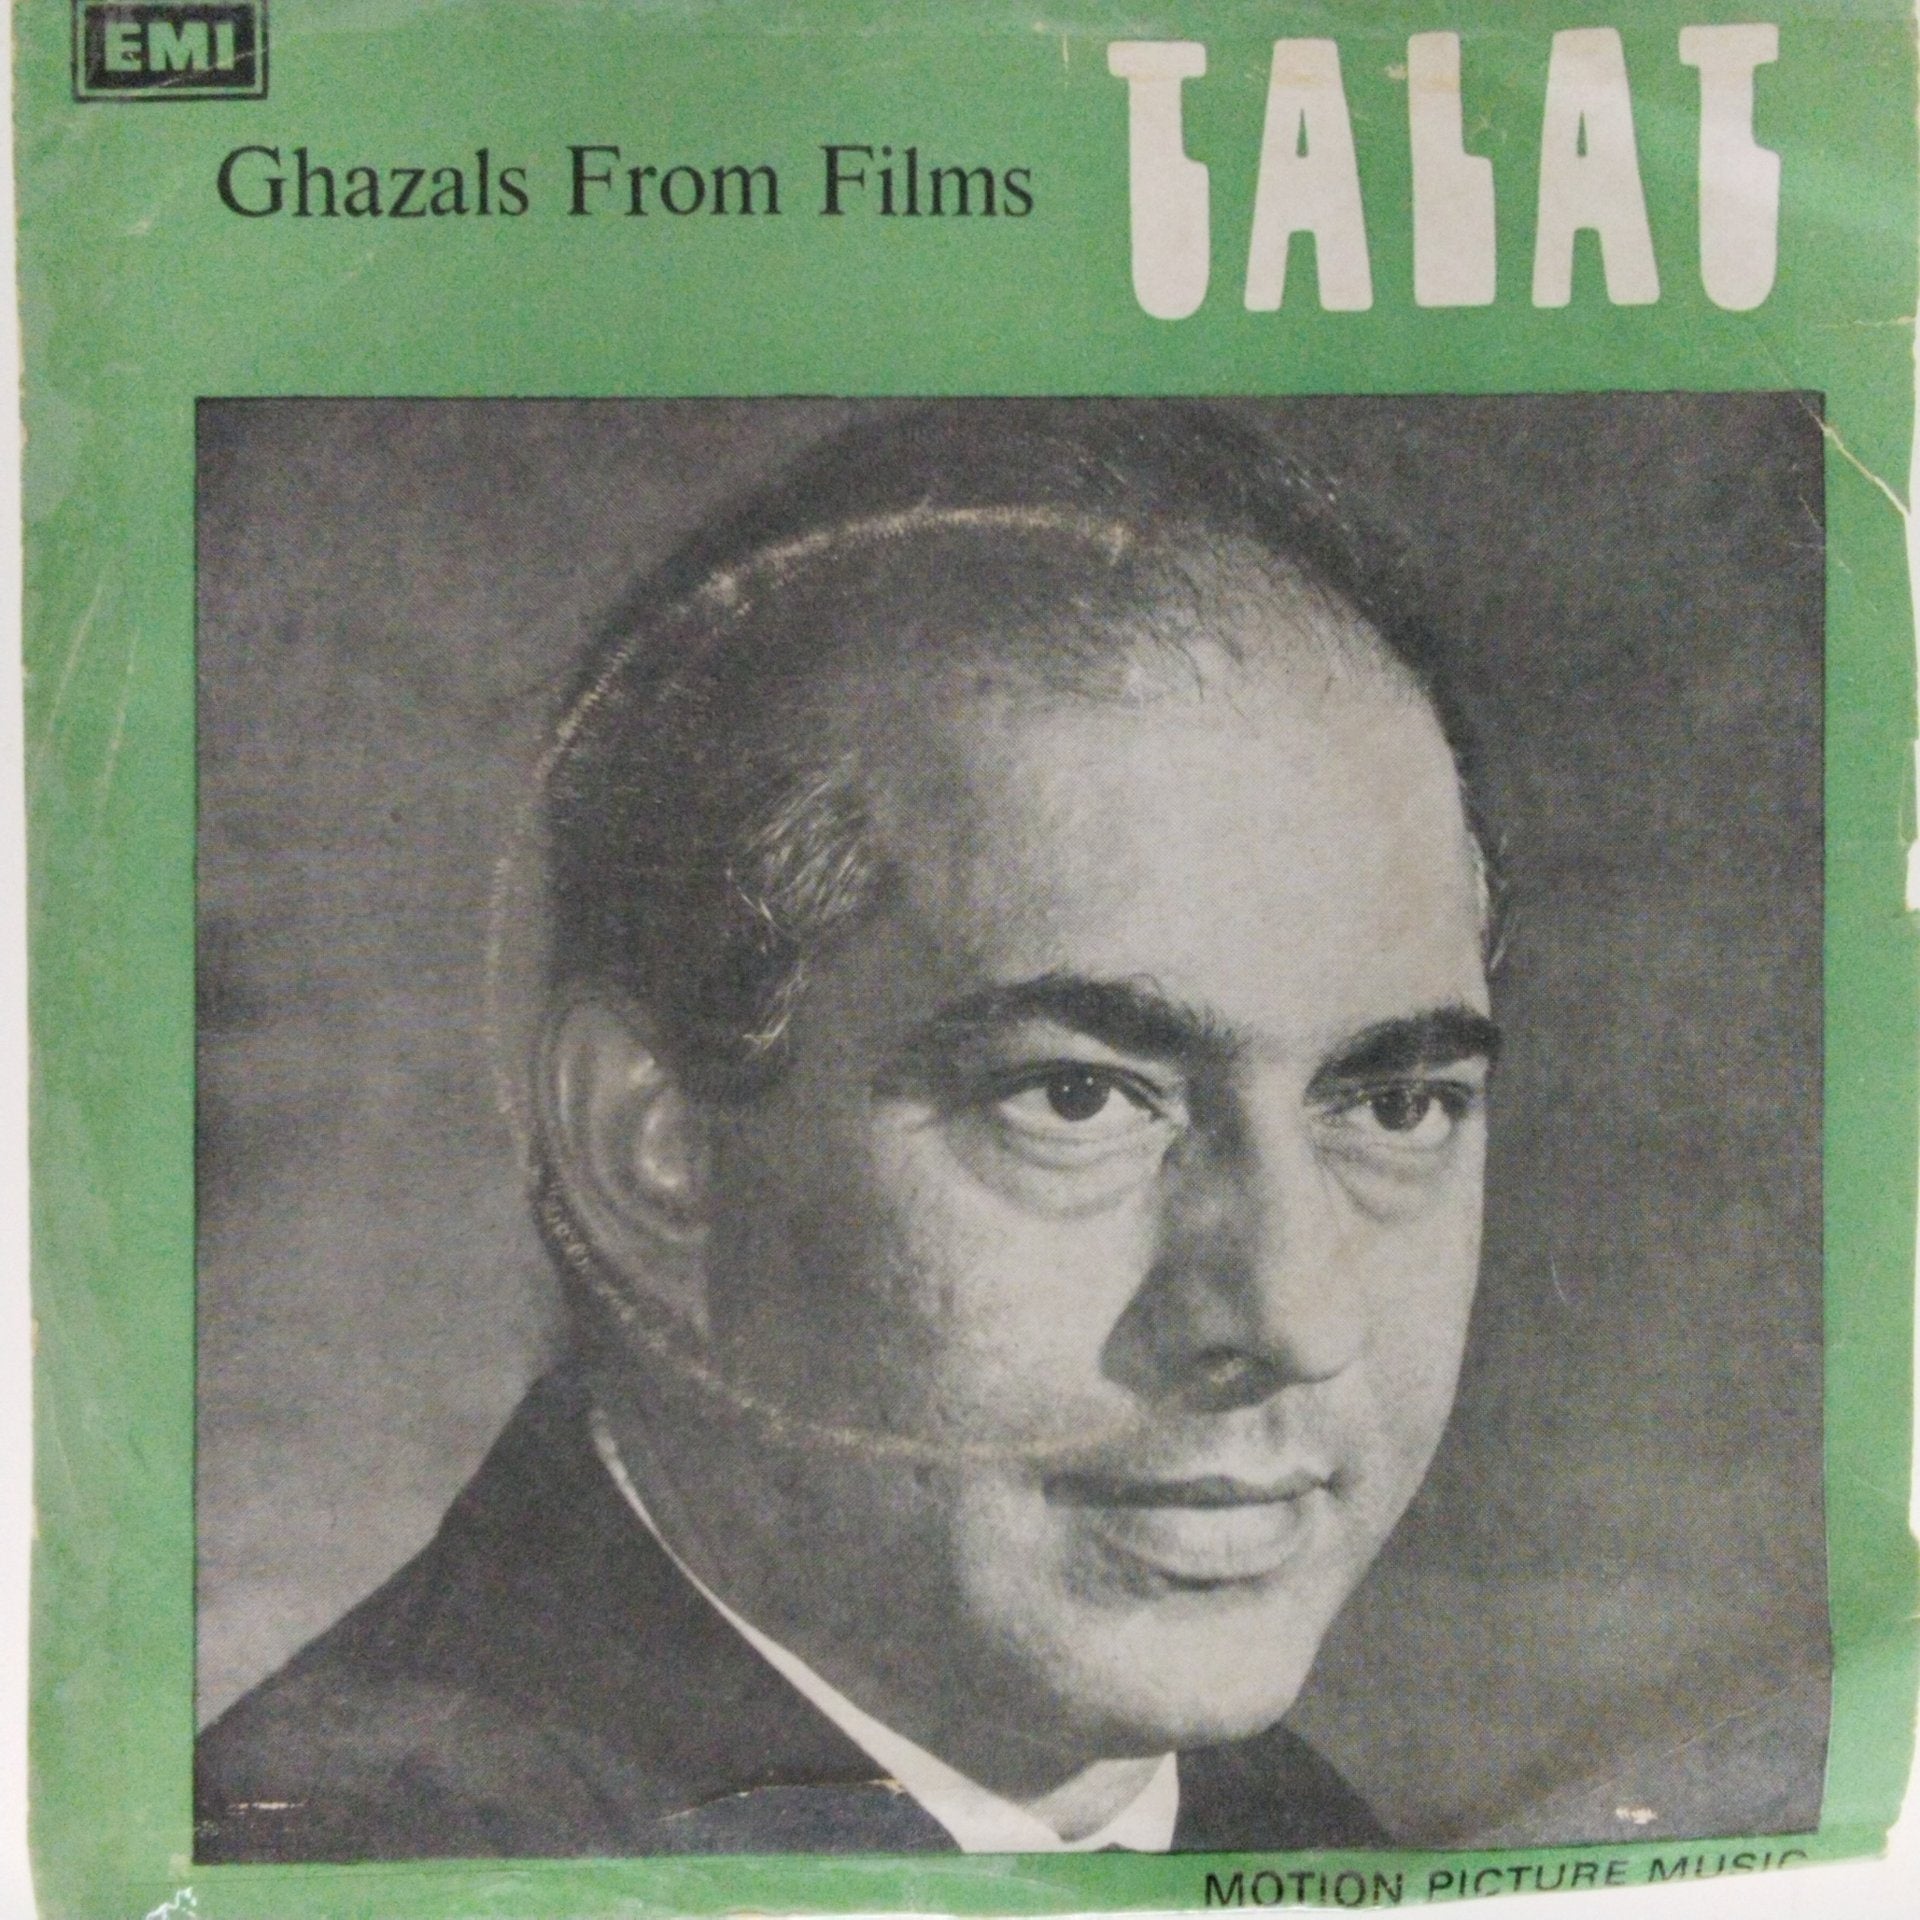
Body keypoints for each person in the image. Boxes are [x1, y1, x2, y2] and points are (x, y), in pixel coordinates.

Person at [194, 401, 1501, 1862]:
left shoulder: (1297, 1837)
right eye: (1076, 1097)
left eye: (1394, 1105)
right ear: (651, 1156)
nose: (1293, 1316)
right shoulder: (362, 1856)